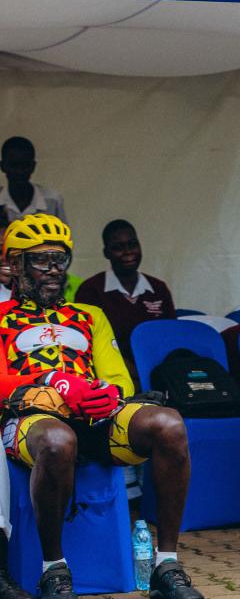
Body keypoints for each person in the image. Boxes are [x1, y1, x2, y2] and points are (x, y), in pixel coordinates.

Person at [0, 214, 201, 599]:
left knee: (168, 424)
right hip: (32, 424)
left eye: (60, 260)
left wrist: (105, 394)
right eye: (41, 260)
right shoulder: (2, 317)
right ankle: (53, 570)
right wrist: (52, 386)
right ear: (17, 265)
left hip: (94, 420)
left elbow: (119, 381)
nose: (54, 270)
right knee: (58, 440)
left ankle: (166, 565)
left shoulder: (89, 316)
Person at [75, 220, 176, 386]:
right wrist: (132, 371)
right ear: (106, 252)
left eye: (132, 244)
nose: (128, 252)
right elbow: (88, 344)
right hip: (112, 375)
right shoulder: (91, 290)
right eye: (118, 247)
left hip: (160, 372)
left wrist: (153, 372)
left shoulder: (158, 288)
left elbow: (171, 337)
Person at [0, 137, 66, 230]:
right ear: (2, 166)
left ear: (33, 166)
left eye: (25, 165)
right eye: (14, 165)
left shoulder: (52, 201)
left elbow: (64, 241)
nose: (20, 171)